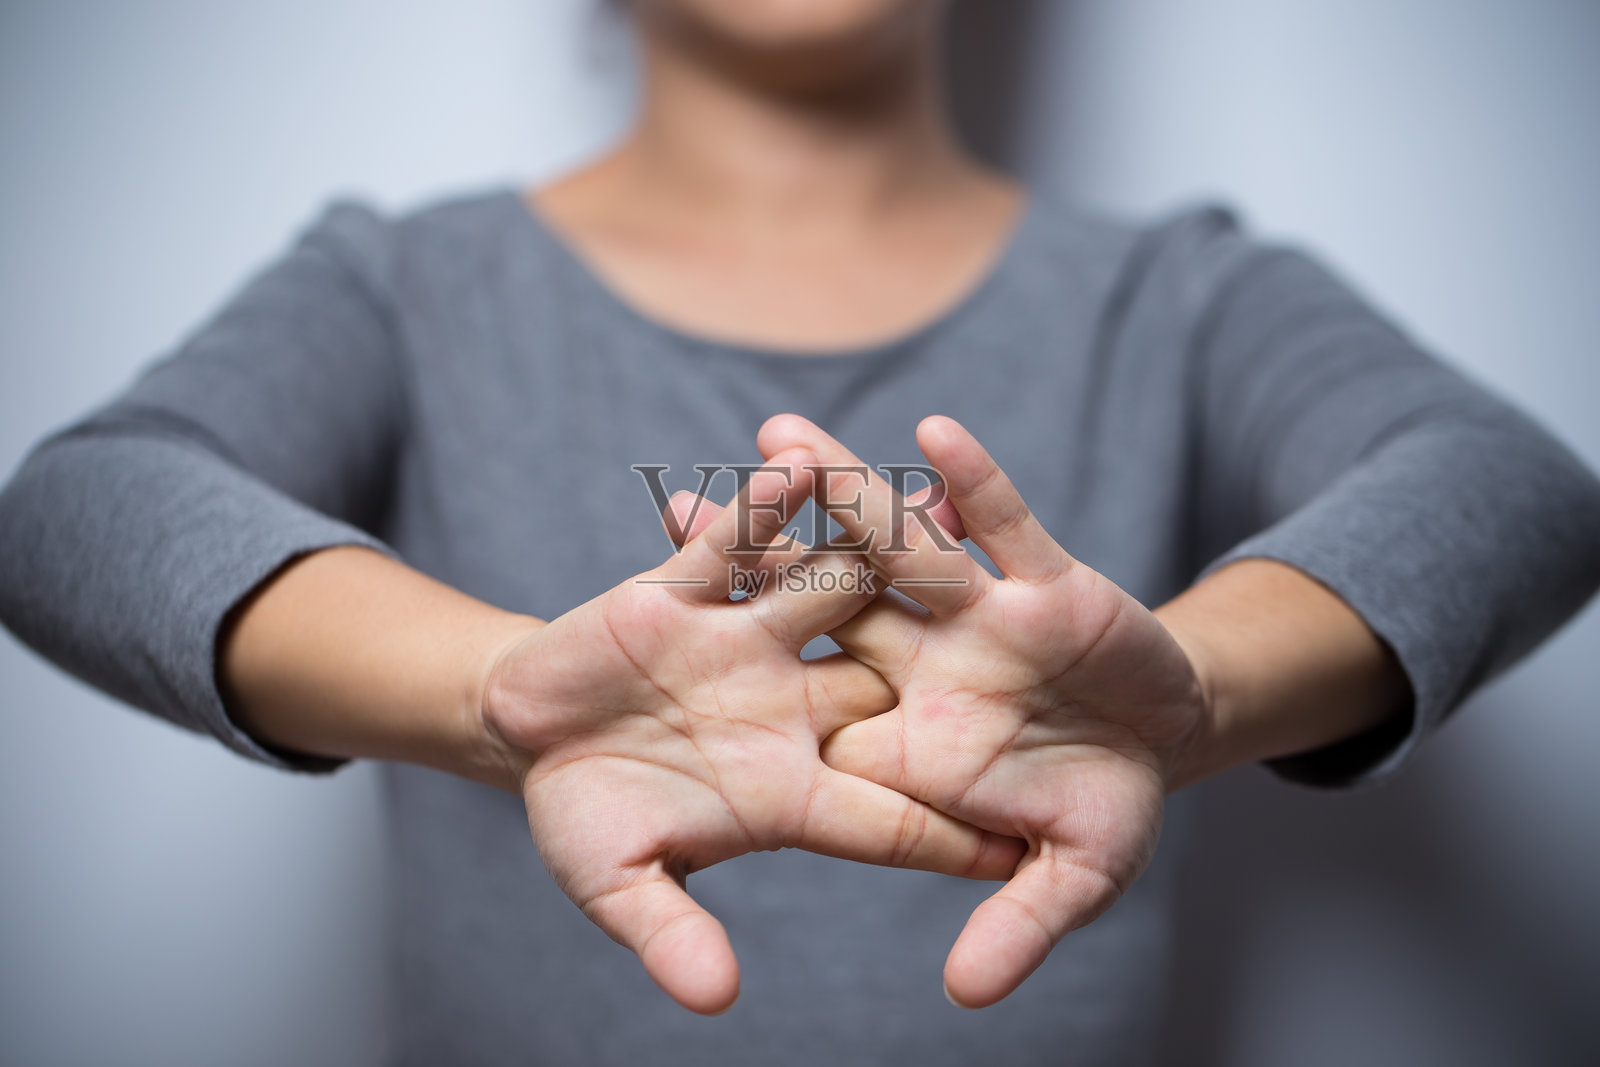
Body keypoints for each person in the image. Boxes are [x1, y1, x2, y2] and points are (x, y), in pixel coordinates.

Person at [2, 0, 1598, 1062]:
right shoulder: (411, 287)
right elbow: (80, 505)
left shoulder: (1174, 294)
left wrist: (1189, 695)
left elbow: (1505, 483)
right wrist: (503, 697)